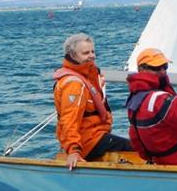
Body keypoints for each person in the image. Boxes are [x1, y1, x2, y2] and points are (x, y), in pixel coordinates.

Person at [54, 33, 133, 170]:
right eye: (86, 53)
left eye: (92, 51)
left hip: (96, 137)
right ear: (73, 55)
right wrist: (73, 151)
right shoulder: (74, 84)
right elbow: (69, 119)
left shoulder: (90, 75)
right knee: (141, 150)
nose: (92, 55)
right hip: (89, 143)